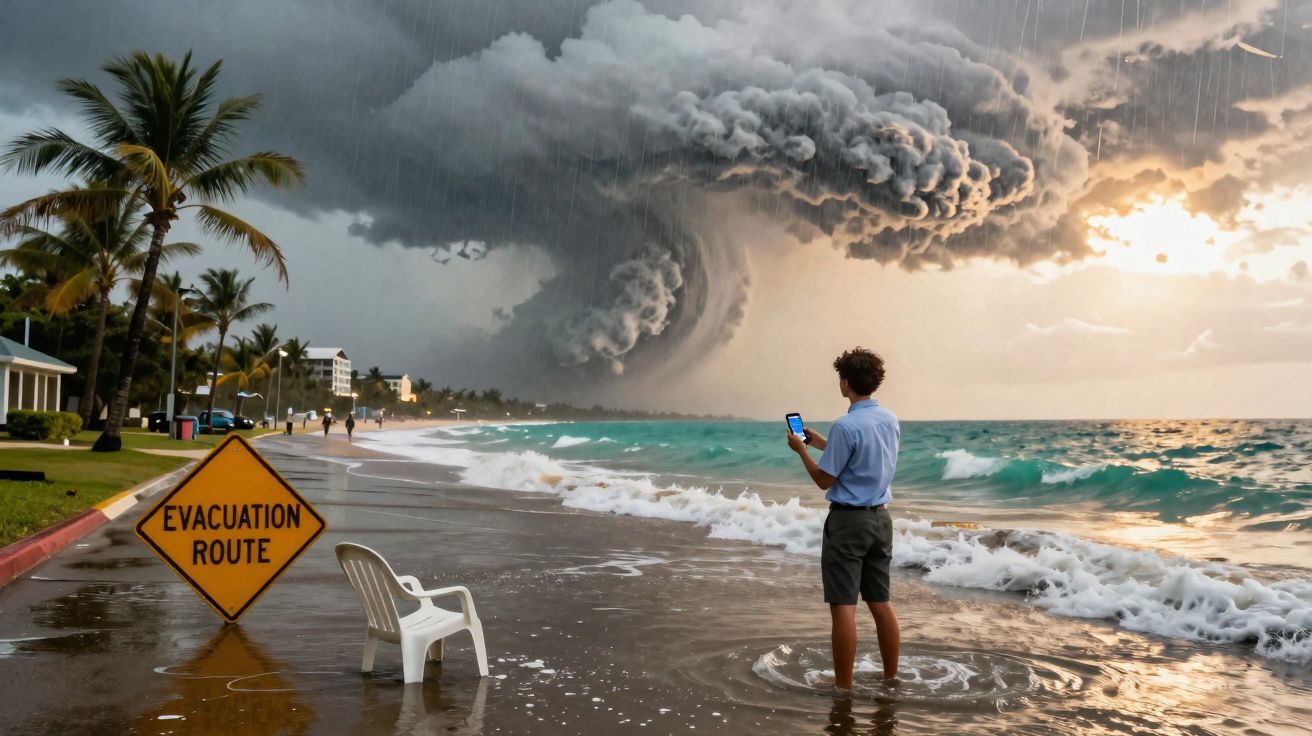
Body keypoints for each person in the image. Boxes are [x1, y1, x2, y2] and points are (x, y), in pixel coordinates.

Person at [787, 347, 900, 692]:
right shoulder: (889, 419)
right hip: (881, 520)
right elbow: (863, 457)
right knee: (881, 603)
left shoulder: (845, 426)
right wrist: (822, 442)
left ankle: (843, 687)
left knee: (843, 608)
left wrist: (801, 450)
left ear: (846, 382)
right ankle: (891, 678)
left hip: (848, 524)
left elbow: (824, 480)